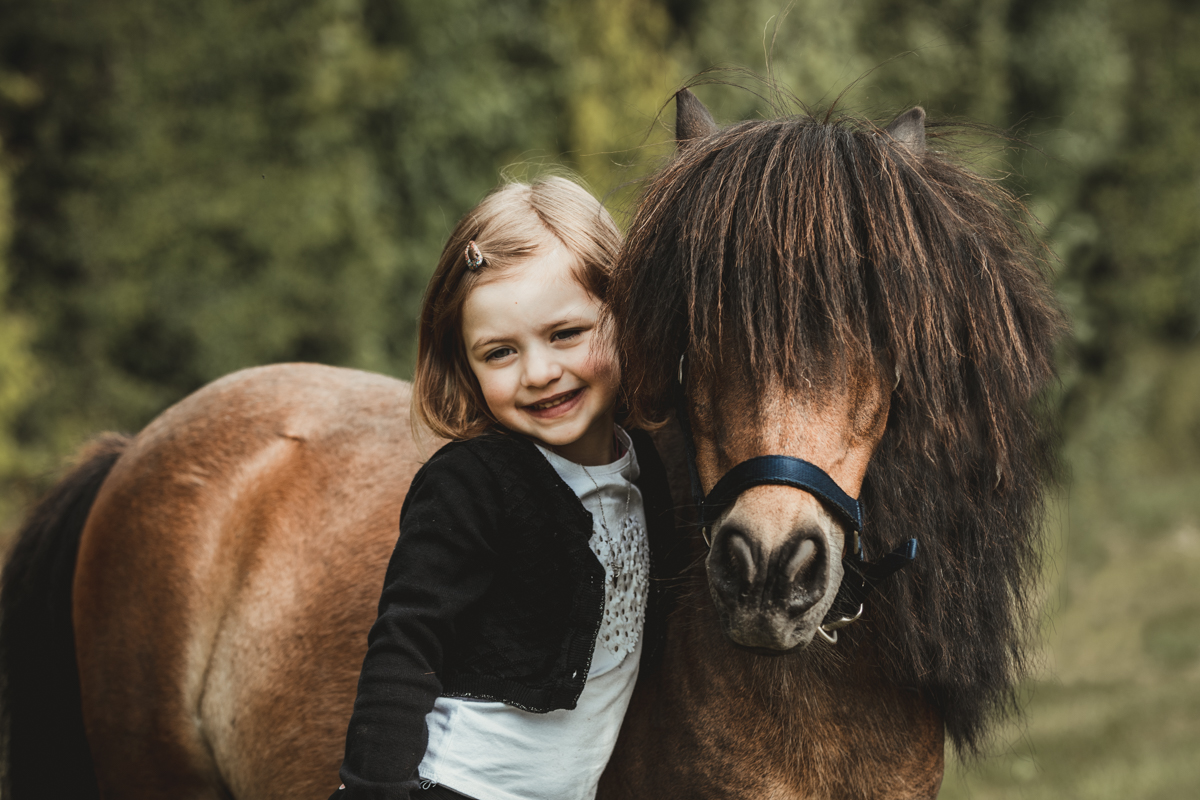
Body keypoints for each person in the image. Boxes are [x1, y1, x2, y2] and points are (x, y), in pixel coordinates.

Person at [331, 176, 678, 800]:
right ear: (463, 363)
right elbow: (405, 644)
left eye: (566, 334)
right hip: (457, 786)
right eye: (499, 353)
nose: (539, 373)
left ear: (627, 317)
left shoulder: (649, 467)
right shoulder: (471, 484)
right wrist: (371, 792)